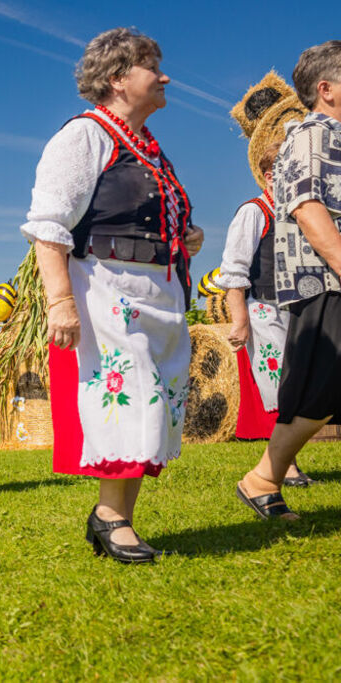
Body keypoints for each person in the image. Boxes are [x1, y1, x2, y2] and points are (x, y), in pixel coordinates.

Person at [23, 28, 203, 562]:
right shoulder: (84, 137)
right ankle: (108, 516)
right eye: (152, 66)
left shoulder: (146, 147)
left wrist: (184, 234)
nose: (165, 76)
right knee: (129, 399)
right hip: (107, 289)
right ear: (117, 78)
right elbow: (49, 225)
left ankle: (117, 518)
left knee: (156, 407)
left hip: (155, 290)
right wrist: (60, 301)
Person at [237, 41, 341, 520]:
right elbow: (306, 206)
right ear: (327, 90)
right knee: (319, 390)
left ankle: (263, 477)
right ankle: (262, 477)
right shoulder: (310, 135)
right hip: (325, 280)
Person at [215, 142, 311, 486]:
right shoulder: (254, 212)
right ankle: (284, 468)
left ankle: (286, 463)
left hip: (296, 310)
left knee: (297, 385)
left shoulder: (299, 213)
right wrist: (239, 320)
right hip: (264, 308)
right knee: (280, 388)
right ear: (270, 177)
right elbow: (234, 270)